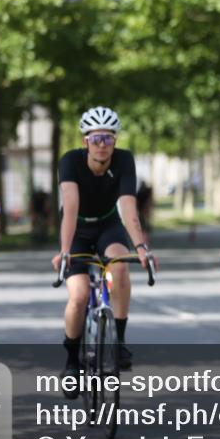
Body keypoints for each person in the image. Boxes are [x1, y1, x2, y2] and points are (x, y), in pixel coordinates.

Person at [51, 106, 153, 396]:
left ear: (115, 141)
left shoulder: (123, 161)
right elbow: (69, 208)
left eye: (107, 139)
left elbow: (129, 207)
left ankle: (118, 343)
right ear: (85, 141)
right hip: (77, 230)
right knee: (79, 295)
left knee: (120, 266)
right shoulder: (70, 161)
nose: (101, 145)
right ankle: (72, 361)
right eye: (95, 139)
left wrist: (141, 247)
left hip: (108, 226)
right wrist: (65, 250)